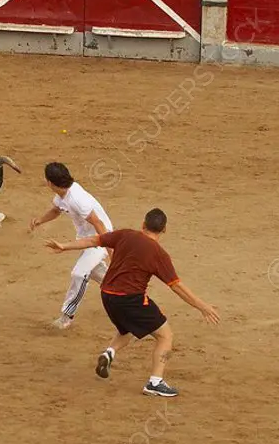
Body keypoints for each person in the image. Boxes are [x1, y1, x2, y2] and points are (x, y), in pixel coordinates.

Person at [44, 208, 220, 397]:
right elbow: (176, 286)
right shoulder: (159, 254)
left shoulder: (125, 235)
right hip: (130, 299)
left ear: (143, 224)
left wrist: (64, 246)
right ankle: (155, 382)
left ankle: (109, 353)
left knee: (128, 328)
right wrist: (203, 307)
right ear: (164, 230)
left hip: (107, 295)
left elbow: (94, 240)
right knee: (165, 336)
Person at [29, 162, 113, 330]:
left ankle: (67, 316)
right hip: (86, 238)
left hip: (99, 238)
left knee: (79, 274)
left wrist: (111, 252)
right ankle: (126, 291)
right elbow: (56, 210)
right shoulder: (63, 195)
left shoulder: (77, 199)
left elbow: (98, 224)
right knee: (97, 273)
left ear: (50, 183)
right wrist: (40, 220)